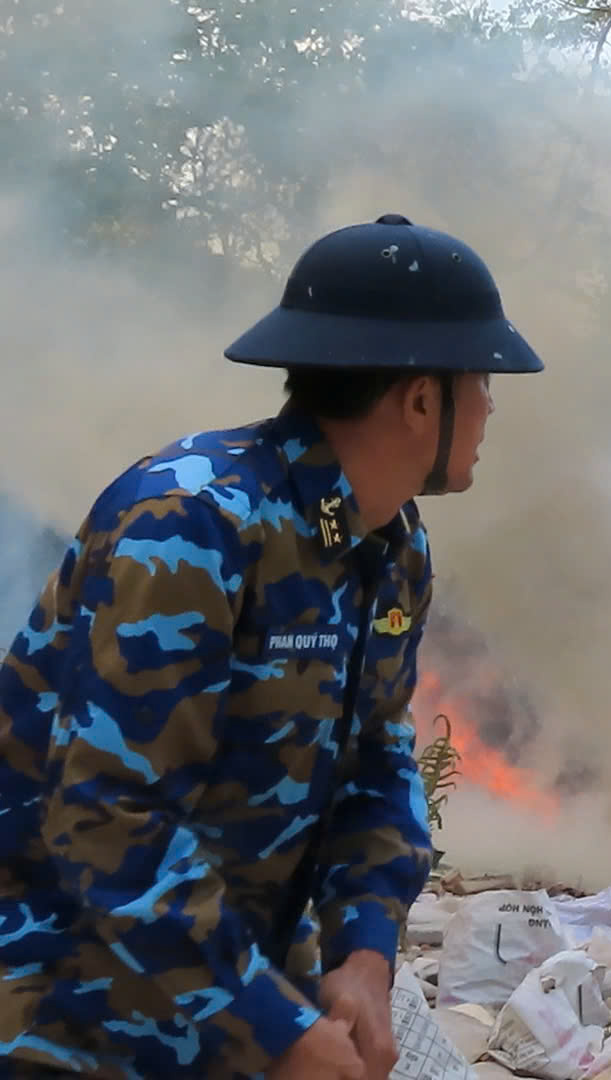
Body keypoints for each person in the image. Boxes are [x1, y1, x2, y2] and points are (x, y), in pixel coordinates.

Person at [0, 214, 543, 1079]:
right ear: (420, 400)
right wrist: (269, 1028)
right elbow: (109, 818)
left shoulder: (393, 544)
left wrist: (365, 952)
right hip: (69, 1014)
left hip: (241, 1001)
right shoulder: (190, 522)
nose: (490, 406)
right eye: (481, 379)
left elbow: (376, 760)